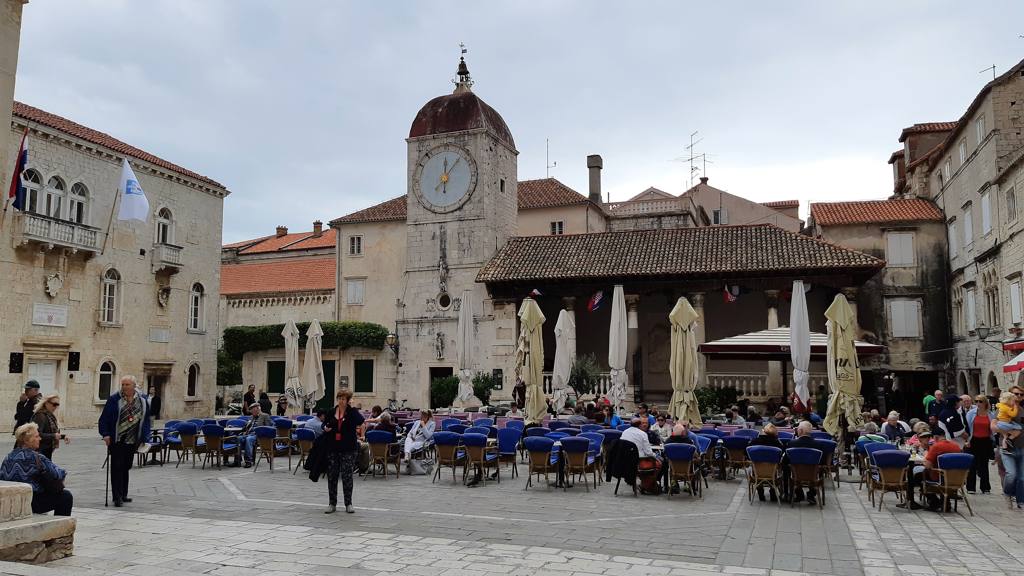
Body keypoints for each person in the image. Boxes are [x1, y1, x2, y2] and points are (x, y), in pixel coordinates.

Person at [97, 375, 150, 507]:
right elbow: (104, 419)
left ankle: (124, 493)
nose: (124, 387)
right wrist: (105, 434)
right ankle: (117, 497)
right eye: (123, 384)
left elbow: (146, 420)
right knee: (117, 467)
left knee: (126, 466)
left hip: (133, 440)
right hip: (117, 439)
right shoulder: (115, 399)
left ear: (134, 386)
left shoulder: (142, 400)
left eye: (127, 384)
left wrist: (145, 437)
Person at [0, 423, 72, 516]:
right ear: (27, 440)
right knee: (66, 497)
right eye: (37, 436)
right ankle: (62, 526)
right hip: (32, 502)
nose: (40, 439)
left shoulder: (8, 457)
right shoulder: (37, 457)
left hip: (11, 500)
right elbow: (59, 474)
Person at [322, 389, 364, 514]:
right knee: (332, 475)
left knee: (347, 476)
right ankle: (332, 503)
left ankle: (348, 503)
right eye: (339, 398)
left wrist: (351, 407)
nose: (341, 401)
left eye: (343, 399)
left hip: (348, 448)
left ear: (348, 400)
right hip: (333, 447)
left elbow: (360, 421)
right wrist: (325, 427)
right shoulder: (331, 411)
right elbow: (324, 423)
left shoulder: (352, 412)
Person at [899, 430, 961, 511]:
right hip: (957, 478)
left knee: (918, 476)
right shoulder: (956, 446)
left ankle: (934, 501)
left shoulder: (937, 446)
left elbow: (928, 465)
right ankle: (945, 502)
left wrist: (924, 461)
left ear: (935, 437)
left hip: (940, 477)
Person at [786, 421, 823, 505]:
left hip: (796, 474)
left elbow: (787, 460)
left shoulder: (792, 443)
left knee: (790, 468)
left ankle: (798, 494)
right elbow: (821, 462)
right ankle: (811, 494)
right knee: (816, 469)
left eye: (798, 429)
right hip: (812, 475)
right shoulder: (818, 445)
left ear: (801, 431)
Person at [621, 416, 662, 493]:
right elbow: (648, 452)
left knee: (649, 463)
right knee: (659, 464)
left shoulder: (625, 432)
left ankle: (646, 485)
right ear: (639, 425)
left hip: (625, 461)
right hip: (638, 462)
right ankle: (646, 485)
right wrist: (655, 456)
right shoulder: (642, 434)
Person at [749, 423, 785, 502]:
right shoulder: (777, 444)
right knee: (776, 468)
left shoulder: (754, 442)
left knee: (756, 468)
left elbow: (746, 454)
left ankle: (760, 493)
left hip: (757, 473)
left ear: (764, 431)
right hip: (772, 474)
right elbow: (781, 456)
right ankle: (773, 493)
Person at [965, 395, 994, 494]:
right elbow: (967, 427)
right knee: (972, 464)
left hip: (986, 441)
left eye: (980, 401)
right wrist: (967, 440)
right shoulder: (971, 413)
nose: (978, 403)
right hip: (973, 441)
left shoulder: (990, 414)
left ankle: (985, 487)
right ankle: (971, 487)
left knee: (984, 465)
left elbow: (993, 428)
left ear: (985, 402)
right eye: (976, 401)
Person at [31, 394, 69, 461]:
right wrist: (53, 436)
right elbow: (36, 434)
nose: (55, 407)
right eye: (54, 404)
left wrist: (63, 436)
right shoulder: (40, 416)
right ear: (46, 403)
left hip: (46, 450)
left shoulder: (49, 415)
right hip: (39, 451)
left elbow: (51, 432)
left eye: (57, 405)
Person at [238, 402, 274, 467]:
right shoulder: (252, 417)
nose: (252, 412)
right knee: (238, 438)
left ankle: (248, 461)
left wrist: (262, 432)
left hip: (257, 436)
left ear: (258, 409)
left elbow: (270, 427)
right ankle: (237, 460)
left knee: (248, 439)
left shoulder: (265, 416)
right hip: (248, 434)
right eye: (251, 410)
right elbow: (245, 427)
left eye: (253, 410)